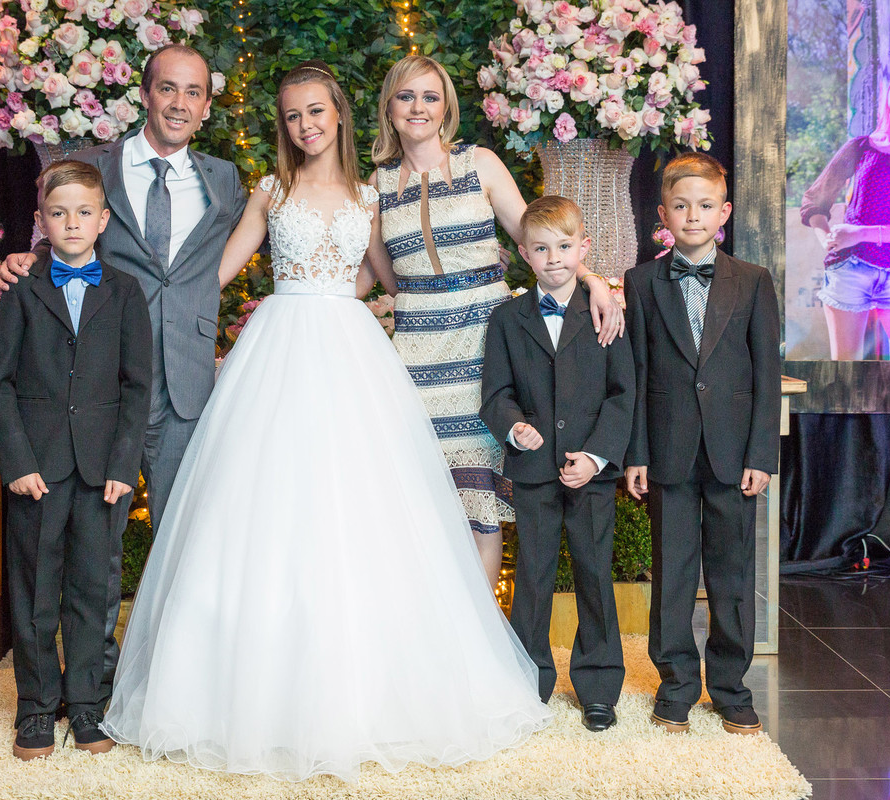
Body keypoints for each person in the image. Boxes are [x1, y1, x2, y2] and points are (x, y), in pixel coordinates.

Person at [101, 61, 552, 782]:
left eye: (316, 111)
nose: (305, 125)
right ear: (282, 126)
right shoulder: (270, 191)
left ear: (339, 114)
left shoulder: (370, 193)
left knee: (364, 504)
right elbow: (210, 274)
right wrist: (122, 306)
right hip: (276, 348)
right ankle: (252, 689)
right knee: (267, 506)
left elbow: (386, 271)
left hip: (349, 350)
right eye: (292, 116)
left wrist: (351, 295)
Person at [0, 44, 248, 702]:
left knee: (184, 537)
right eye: (168, 88)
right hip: (99, 387)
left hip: (189, 380)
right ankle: (95, 683)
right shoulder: (98, 168)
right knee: (94, 542)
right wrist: (25, 261)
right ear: (145, 93)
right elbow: (63, 232)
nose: (180, 103)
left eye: (193, 92)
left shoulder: (224, 180)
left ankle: (175, 682)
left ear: (207, 105)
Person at [370, 55, 625, 586]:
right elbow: (385, 279)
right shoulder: (375, 185)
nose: (418, 107)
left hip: (484, 345)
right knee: (421, 501)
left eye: (430, 97)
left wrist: (595, 280)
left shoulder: (479, 163)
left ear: (446, 109)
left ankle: (478, 652)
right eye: (406, 96)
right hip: (417, 354)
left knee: (480, 505)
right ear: (389, 107)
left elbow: (538, 239)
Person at [0, 160, 152, 759]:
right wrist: (17, 461)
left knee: (92, 588)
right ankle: (35, 708)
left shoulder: (126, 292)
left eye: (84, 212)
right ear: (40, 222)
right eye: (59, 213)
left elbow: (137, 387)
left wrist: (121, 465)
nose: (72, 222)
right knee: (34, 589)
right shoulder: (22, 291)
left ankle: (85, 703)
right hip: (38, 470)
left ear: (104, 220)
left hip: (100, 470)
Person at [623, 152, 780, 735]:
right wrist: (635, 452)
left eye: (706, 206)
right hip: (667, 450)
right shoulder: (640, 283)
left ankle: (731, 686)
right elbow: (635, 376)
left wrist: (762, 454)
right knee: (672, 572)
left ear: (725, 212)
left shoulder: (752, 281)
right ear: (662, 213)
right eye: (681, 206)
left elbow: (767, 370)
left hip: (733, 453)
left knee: (731, 573)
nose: (694, 215)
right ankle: (676, 684)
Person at [480, 196, 634, 732]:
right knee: (533, 578)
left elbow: (622, 394)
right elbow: (495, 394)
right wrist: (514, 429)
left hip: (590, 474)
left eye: (564, 247)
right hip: (533, 472)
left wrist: (595, 457)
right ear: (524, 253)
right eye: (541, 249)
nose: (553, 259)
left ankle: (597, 687)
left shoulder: (606, 311)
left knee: (594, 576)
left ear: (583, 248)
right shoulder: (507, 319)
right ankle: (531, 681)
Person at [801, 61, 890, 360]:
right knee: (846, 379)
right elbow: (814, 201)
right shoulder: (861, 147)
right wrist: (828, 240)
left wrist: (860, 233)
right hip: (849, 271)